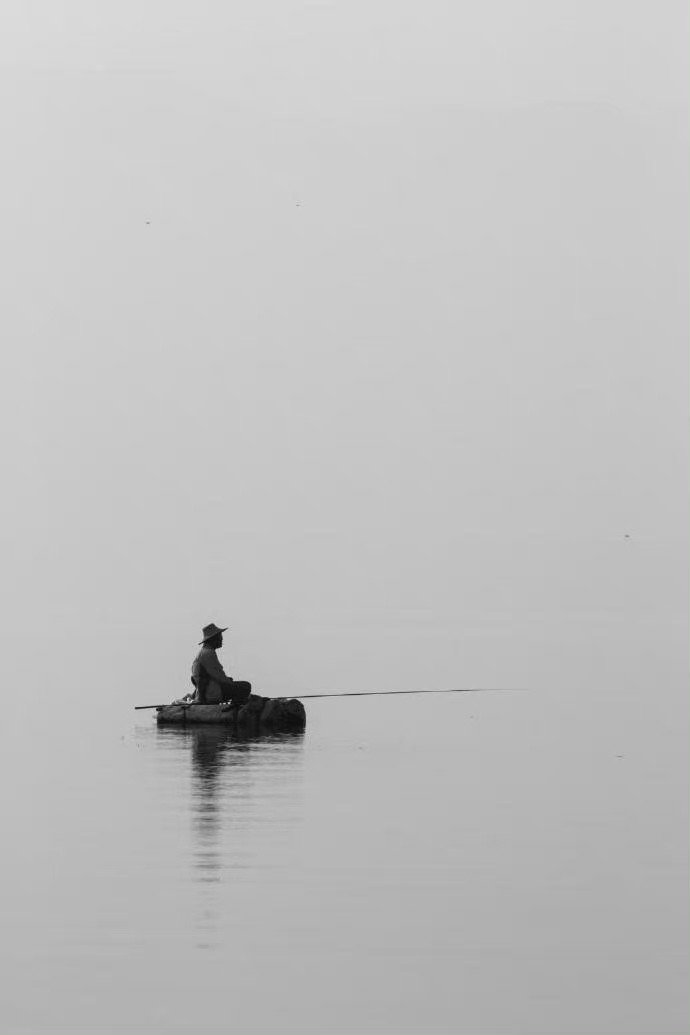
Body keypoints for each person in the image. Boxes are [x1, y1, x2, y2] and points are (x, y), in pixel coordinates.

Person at [191, 623, 252, 706]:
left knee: (236, 684)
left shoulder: (203, 652)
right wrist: (229, 682)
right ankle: (235, 708)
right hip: (213, 692)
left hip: (209, 690)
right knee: (245, 686)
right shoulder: (208, 653)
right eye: (220, 637)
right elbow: (219, 676)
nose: (221, 639)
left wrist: (228, 681)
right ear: (213, 639)